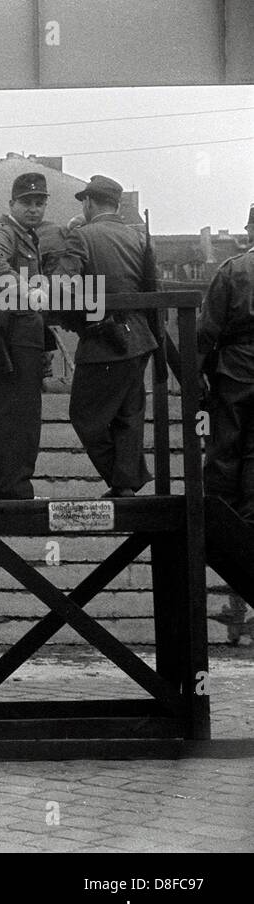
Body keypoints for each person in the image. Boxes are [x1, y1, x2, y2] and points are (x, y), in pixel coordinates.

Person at [51, 174, 158, 497]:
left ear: (88, 202)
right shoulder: (138, 239)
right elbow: (151, 289)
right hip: (140, 337)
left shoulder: (81, 237)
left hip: (103, 340)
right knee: (128, 415)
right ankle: (125, 484)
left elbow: (60, 286)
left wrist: (73, 318)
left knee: (85, 416)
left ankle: (125, 479)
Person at [0, 172, 50, 500]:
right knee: (20, 416)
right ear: (12, 204)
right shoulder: (5, 232)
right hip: (10, 336)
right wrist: (20, 289)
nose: (34, 209)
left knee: (2, 413)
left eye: (39, 202)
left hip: (14, 336)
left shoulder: (25, 236)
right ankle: (14, 490)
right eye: (26, 202)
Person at [198, 204, 254, 645]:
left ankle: (219, 532)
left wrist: (196, 373)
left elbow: (206, 330)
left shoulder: (234, 270)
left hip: (236, 367)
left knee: (225, 449)